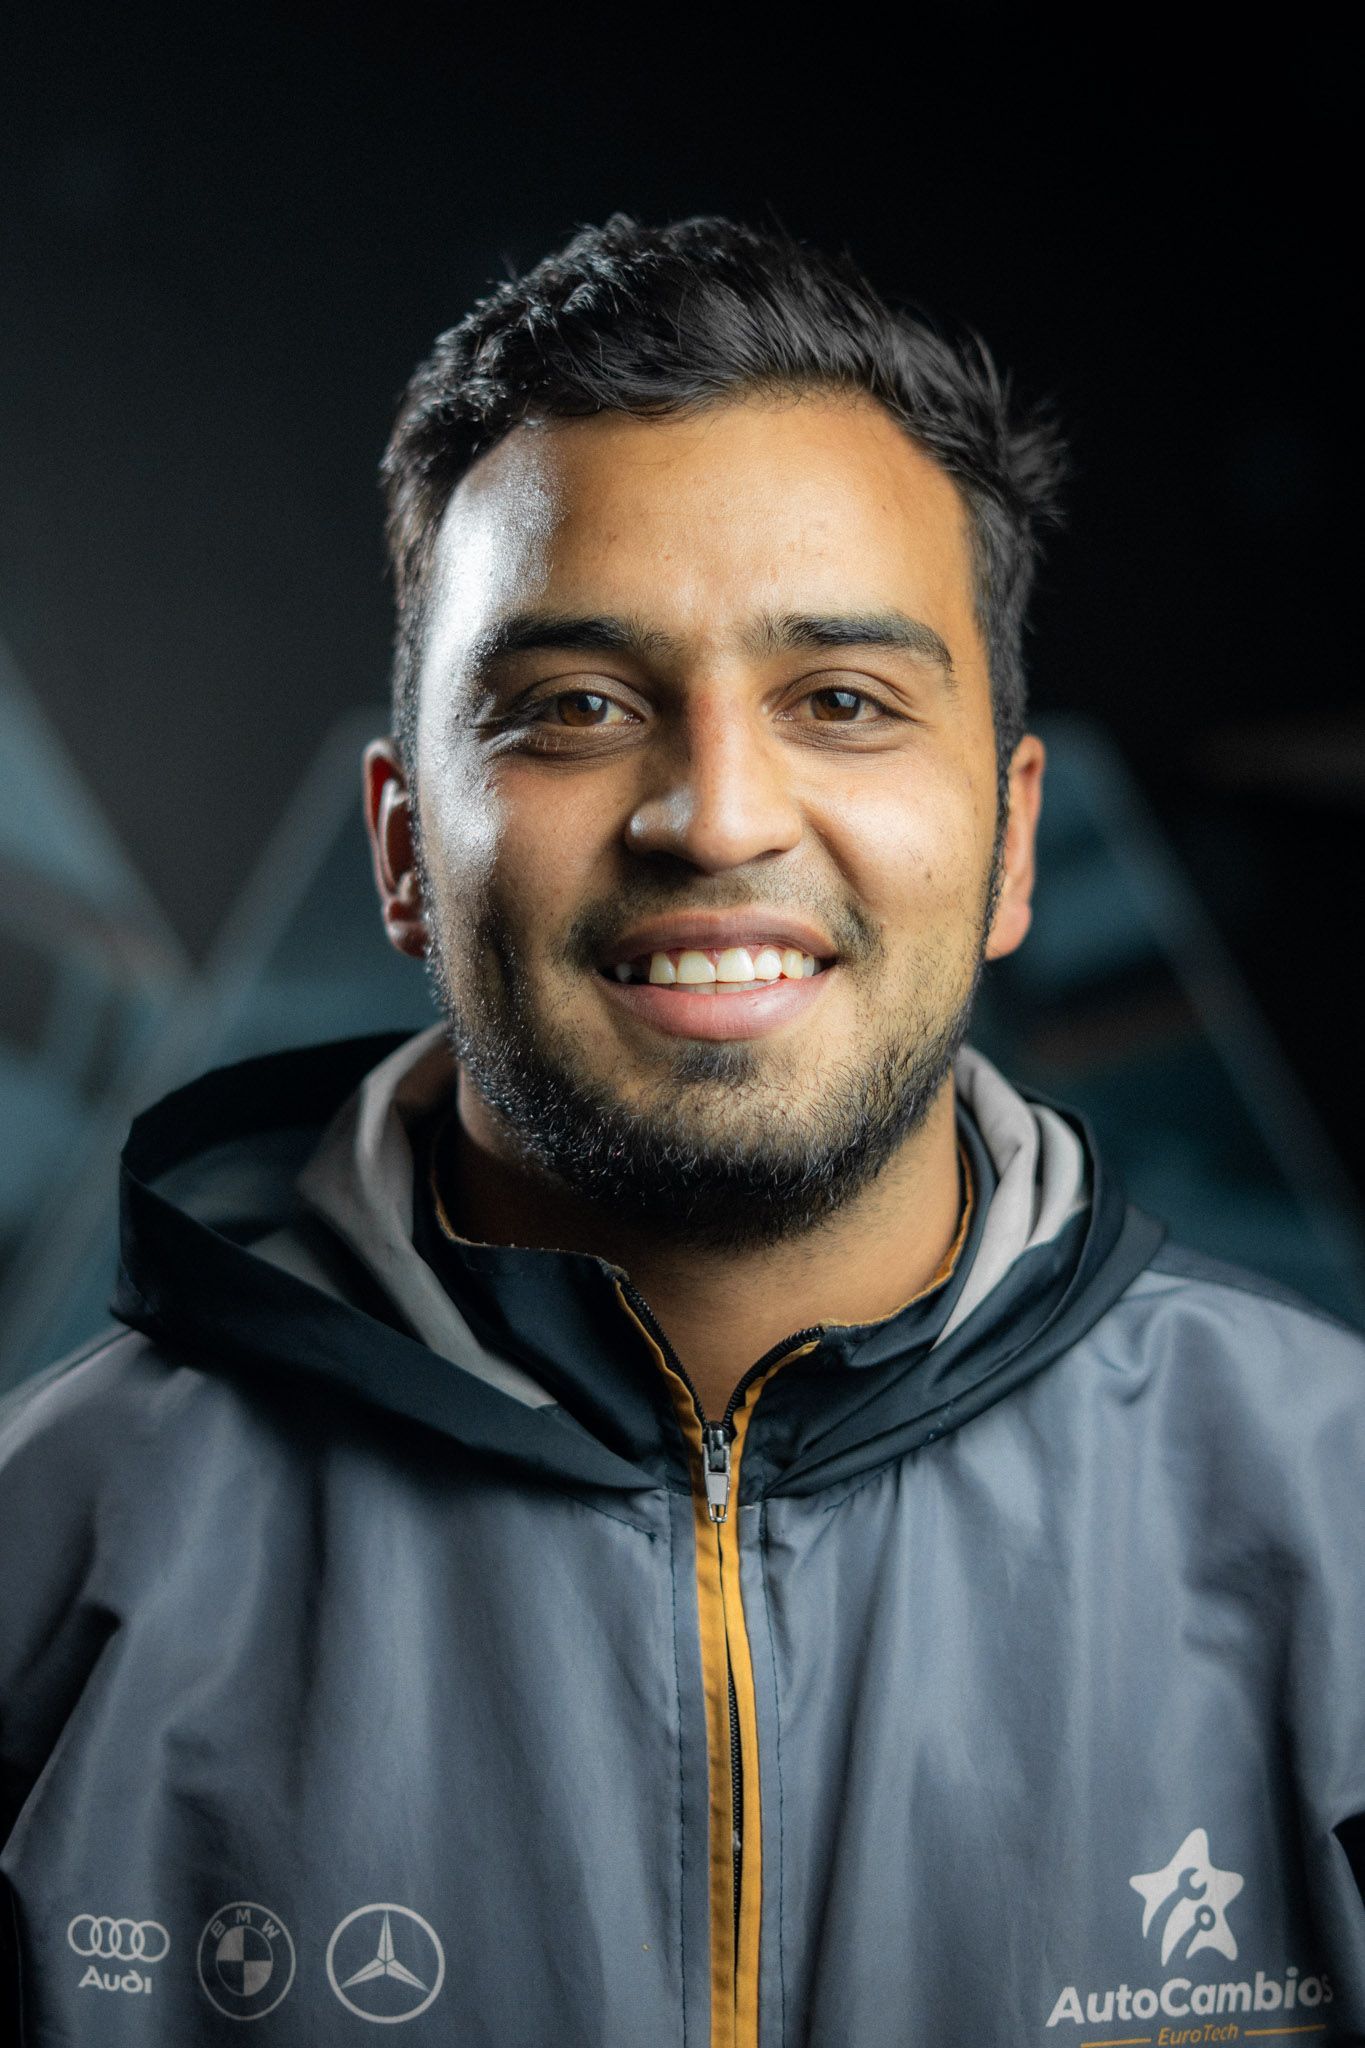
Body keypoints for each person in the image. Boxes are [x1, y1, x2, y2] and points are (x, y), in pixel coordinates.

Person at [1, 215, 1362, 2048]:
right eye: (576, 706)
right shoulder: (44, 1560)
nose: (718, 816)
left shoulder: (1334, 1526)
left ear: (1016, 840)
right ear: (407, 849)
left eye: (842, 702)